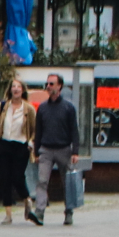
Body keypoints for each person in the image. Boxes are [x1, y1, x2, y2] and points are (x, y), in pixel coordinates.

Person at [32, 73, 80, 226]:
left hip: (63, 149)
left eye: (52, 84)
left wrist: (75, 151)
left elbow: (74, 130)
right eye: (47, 83)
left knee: (67, 182)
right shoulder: (43, 108)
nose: (48, 86)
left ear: (59, 86)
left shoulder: (68, 107)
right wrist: (36, 151)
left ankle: (69, 212)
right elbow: (38, 131)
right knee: (42, 181)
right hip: (46, 149)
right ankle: (39, 212)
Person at [0, 74, 35, 223]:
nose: (16, 89)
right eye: (13, 86)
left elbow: (35, 129)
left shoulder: (29, 108)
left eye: (18, 87)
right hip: (4, 144)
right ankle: (8, 214)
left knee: (17, 176)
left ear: (22, 90)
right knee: (5, 178)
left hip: (21, 145)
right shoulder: (3, 106)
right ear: (10, 90)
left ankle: (27, 200)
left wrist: (31, 142)